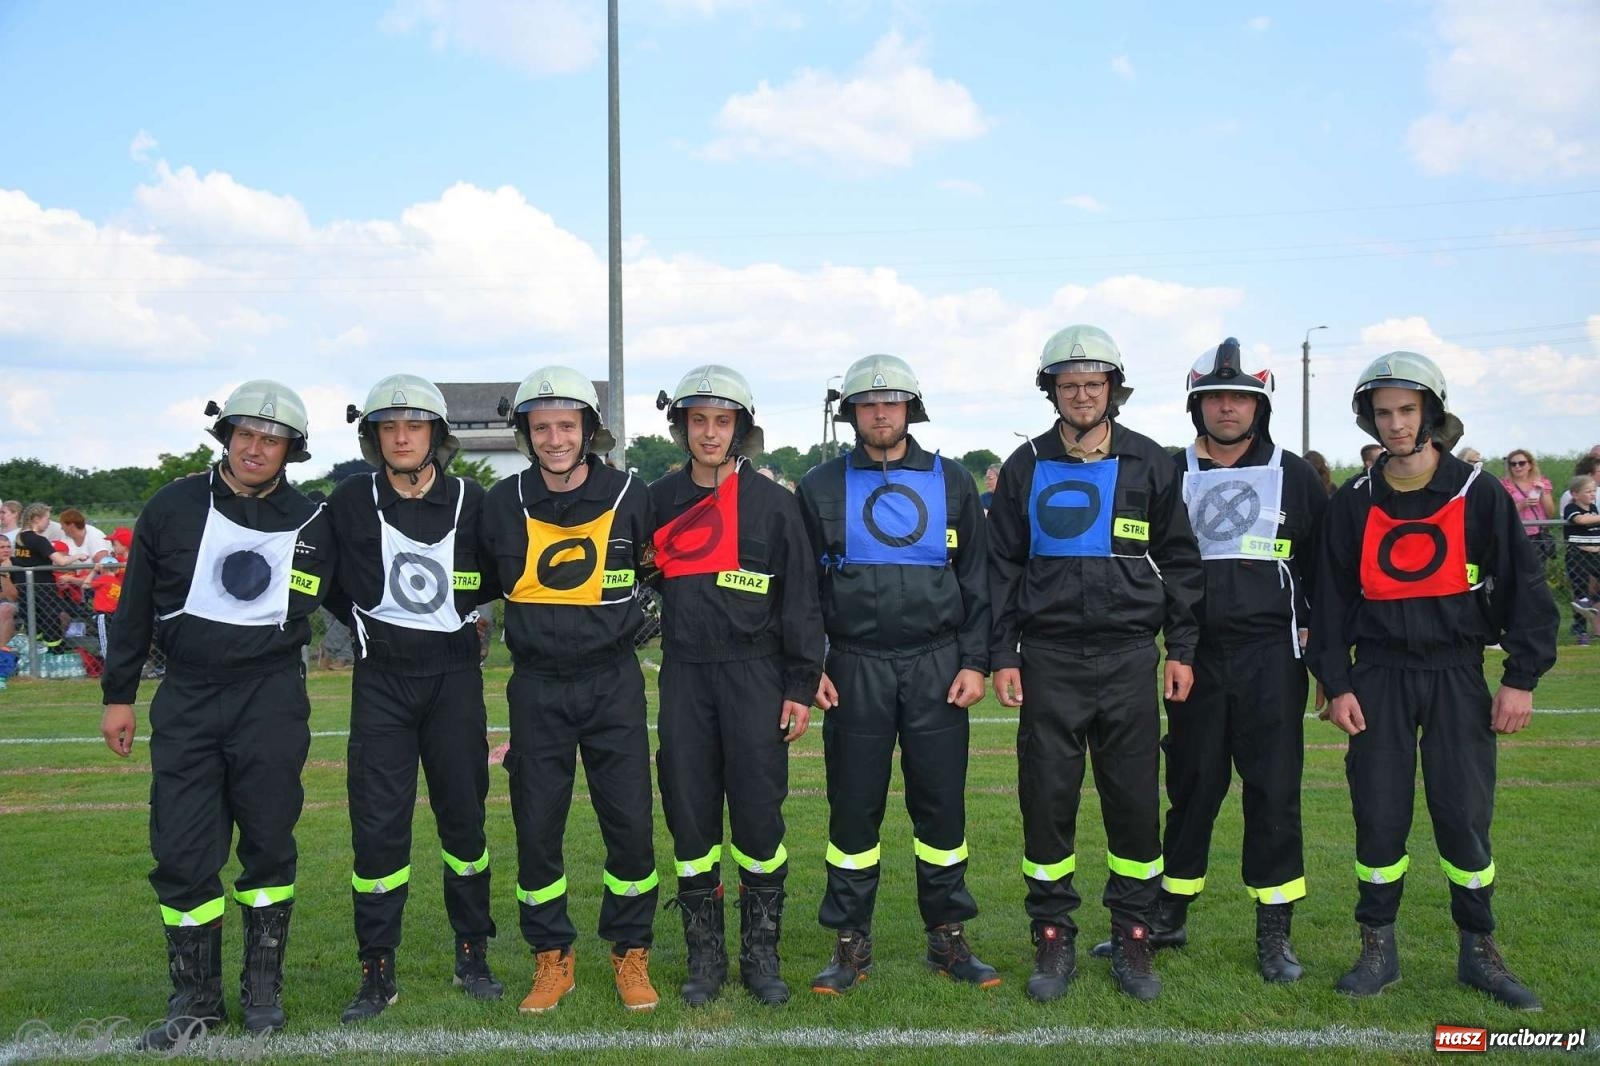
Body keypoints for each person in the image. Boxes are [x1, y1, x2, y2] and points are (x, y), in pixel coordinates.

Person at [1307, 351, 1556, 1010]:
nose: (1395, 424)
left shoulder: (1479, 493)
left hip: (1456, 674)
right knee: (1378, 816)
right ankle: (1377, 948)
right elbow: (1328, 603)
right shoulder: (1353, 501)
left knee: (1463, 816)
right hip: (1378, 677)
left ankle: (1478, 949)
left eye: (1407, 410)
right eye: (1383, 413)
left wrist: (1521, 678)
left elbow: (1526, 591)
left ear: (1431, 414)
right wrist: (1337, 682)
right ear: (1370, 419)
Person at [98, 381, 336, 1049]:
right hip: (189, 696)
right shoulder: (172, 506)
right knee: (181, 849)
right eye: (246, 434)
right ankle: (195, 1000)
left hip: (271, 698)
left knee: (268, 841)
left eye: (272, 440)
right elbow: (134, 606)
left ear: (291, 450)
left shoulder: (313, 520)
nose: (255, 448)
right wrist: (119, 696)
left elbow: (355, 591)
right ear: (226, 435)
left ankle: (262, 991)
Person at [1089, 339, 1325, 982]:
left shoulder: (1296, 475)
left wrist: (1327, 664)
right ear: (1196, 405)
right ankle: (1169, 913)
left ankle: (1274, 929)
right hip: (1192, 658)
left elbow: (1323, 573)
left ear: (1259, 406)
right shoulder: (1166, 472)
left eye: (1240, 398)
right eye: (1215, 397)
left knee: (1273, 790)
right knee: (1191, 786)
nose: (1227, 408)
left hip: (1272, 657)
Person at [987, 325, 1204, 1002]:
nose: (1082, 396)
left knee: (1134, 804)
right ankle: (1052, 936)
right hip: (1049, 659)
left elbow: (1181, 561)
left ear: (1113, 389)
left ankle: (1134, 936)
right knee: (1046, 801)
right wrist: (1002, 654)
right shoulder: (1024, 464)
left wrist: (1182, 648)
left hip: (1130, 658)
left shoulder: (1150, 461)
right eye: (1069, 385)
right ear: (1051, 391)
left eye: (1093, 384)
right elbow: (1001, 569)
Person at [796, 354, 997, 996]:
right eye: (867, 403)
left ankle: (947, 937)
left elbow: (978, 581)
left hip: (938, 665)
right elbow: (802, 590)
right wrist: (810, 665)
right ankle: (850, 942)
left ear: (911, 407)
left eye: (892, 401)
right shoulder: (819, 486)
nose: (880, 413)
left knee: (940, 807)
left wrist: (975, 661)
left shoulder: (954, 481)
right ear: (851, 412)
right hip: (854, 667)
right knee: (854, 809)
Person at [479, 366, 661, 1014]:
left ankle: (630, 951)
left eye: (566, 425)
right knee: (536, 828)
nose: (555, 439)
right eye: (542, 427)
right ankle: (551, 955)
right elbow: (472, 585)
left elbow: (662, 570)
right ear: (526, 434)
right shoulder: (502, 502)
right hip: (536, 686)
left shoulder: (632, 494)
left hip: (613, 682)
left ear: (588, 429)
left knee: (631, 825)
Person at [324, 375, 505, 1023]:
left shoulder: (472, 500)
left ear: (436, 434)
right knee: (377, 831)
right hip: (382, 683)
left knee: (465, 823)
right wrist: (368, 624)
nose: (402, 437)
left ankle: (472, 954)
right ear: (373, 437)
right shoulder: (350, 499)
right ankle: (376, 970)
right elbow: (325, 579)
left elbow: (500, 571)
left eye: (415, 425)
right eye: (389, 427)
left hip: (454, 682)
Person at [648, 365, 824, 1007]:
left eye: (722, 422)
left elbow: (801, 598)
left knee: (758, 817)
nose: (710, 433)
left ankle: (760, 955)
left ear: (741, 428)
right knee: (690, 815)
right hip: (686, 674)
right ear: (682, 427)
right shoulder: (657, 501)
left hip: (756, 675)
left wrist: (800, 684)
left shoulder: (775, 504)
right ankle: (704, 957)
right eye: (698, 421)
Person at [1499, 449, 1556, 564]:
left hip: (1538, 534)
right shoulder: (1504, 485)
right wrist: (1522, 505)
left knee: (1538, 568)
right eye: (1513, 464)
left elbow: (1550, 512)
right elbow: (1502, 511)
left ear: (1530, 465)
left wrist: (1543, 493)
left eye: (1522, 463)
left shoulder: (1542, 482)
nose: (1517, 467)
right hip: (1516, 533)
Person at [1563, 475, 1600, 645]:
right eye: (1588, 491)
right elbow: (1581, 520)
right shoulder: (1571, 508)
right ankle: (1581, 632)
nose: (1592, 494)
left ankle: (1591, 604)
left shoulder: (1593, 508)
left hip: (1595, 554)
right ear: (1575, 494)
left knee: (1593, 594)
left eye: (1593, 491)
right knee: (1581, 594)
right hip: (1578, 555)